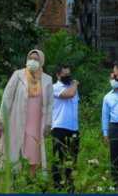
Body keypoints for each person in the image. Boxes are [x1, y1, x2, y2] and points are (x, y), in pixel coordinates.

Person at [0, 50, 53, 176]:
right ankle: (10, 187)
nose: (33, 61)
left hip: (36, 126)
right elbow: (7, 98)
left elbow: (49, 105)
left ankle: (28, 186)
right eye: (30, 58)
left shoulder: (47, 80)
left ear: (41, 61)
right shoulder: (18, 75)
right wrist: (1, 121)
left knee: (32, 157)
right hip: (17, 122)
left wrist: (47, 124)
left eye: (36, 59)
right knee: (13, 156)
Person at [52, 64, 80, 192]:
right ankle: (58, 187)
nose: (68, 76)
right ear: (58, 76)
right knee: (59, 159)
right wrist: (75, 84)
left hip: (73, 128)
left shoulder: (72, 87)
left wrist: (73, 85)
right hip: (60, 128)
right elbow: (70, 94)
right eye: (65, 75)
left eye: (69, 73)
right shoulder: (55, 87)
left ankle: (70, 187)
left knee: (72, 159)